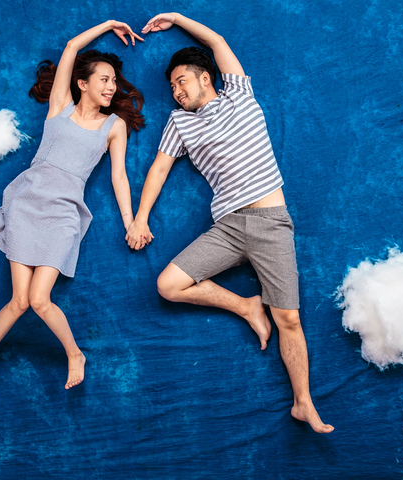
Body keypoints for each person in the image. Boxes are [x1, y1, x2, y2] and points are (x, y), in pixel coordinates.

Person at [126, 13, 333, 433]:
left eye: (181, 81)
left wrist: (176, 18)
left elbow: (218, 41)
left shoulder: (238, 93)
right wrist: (140, 218)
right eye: (172, 87)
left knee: (289, 319)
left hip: (271, 222)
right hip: (229, 228)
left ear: (206, 78)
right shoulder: (179, 122)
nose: (176, 91)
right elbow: (159, 169)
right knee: (168, 285)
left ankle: (303, 403)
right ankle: (246, 306)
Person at [0, 20, 145, 399]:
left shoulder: (114, 125)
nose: (111, 87)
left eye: (114, 81)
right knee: (20, 301)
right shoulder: (60, 107)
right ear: (82, 84)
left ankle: (75, 354)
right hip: (27, 204)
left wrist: (131, 222)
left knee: (39, 300)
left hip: (64, 213)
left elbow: (119, 177)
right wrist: (109, 25)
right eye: (104, 80)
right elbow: (70, 48)